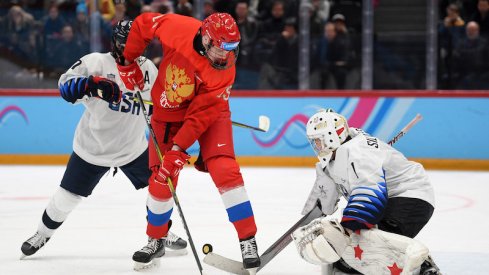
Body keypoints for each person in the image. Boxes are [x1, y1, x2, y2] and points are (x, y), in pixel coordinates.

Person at [20, 20, 187, 261]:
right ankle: (42, 233)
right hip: (92, 150)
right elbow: (64, 88)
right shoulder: (96, 62)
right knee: (65, 198)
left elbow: (161, 105)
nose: (136, 50)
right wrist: (90, 85)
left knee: (160, 191)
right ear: (118, 44)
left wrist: (176, 110)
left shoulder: (149, 68)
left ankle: (161, 232)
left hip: (134, 149)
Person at [120, 12, 261, 270]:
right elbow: (142, 25)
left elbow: (199, 117)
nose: (225, 56)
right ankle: (156, 238)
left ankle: (247, 238)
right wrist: (127, 62)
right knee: (161, 178)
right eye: (220, 49)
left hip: (209, 114)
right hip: (168, 113)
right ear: (206, 38)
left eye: (231, 49)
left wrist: (178, 148)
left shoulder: (225, 70)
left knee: (224, 168)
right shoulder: (177, 27)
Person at [291, 108, 441, 274]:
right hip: (396, 199)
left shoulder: (359, 151)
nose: (316, 146)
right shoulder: (340, 154)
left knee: (366, 245)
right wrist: (316, 213)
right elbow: (325, 199)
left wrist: (345, 229)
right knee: (350, 253)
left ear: (332, 136)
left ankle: (423, 268)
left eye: (318, 141)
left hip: (410, 196)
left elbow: (370, 195)